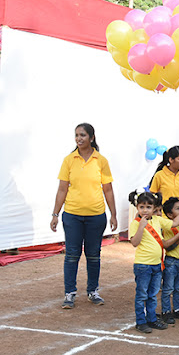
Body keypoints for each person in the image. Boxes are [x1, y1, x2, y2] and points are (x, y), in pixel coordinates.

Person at [51, 123, 117, 308]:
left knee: (93, 255)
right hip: (72, 216)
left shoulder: (101, 161)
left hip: (96, 216)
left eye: (83, 135)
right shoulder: (69, 160)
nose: (79, 138)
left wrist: (113, 214)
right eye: (76, 135)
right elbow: (62, 189)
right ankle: (69, 293)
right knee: (72, 255)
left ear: (92, 137)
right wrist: (55, 214)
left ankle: (93, 291)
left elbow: (108, 190)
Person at [129, 191, 179, 334]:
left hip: (156, 264)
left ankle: (152, 319)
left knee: (153, 294)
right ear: (137, 207)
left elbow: (174, 223)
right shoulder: (135, 223)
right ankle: (141, 322)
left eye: (148, 207)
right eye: (142, 207)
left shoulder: (157, 220)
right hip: (143, 265)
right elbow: (134, 243)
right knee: (142, 294)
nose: (145, 210)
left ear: (154, 208)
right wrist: (141, 227)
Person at [160, 197, 179, 324]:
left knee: (178, 288)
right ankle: (166, 311)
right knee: (168, 289)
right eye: (177, 209)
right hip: (171, 261)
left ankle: (177, 309)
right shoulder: (168, 228)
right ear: (169, 214)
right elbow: (169, 246)